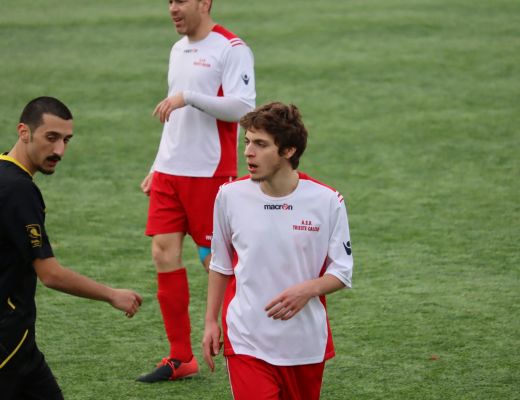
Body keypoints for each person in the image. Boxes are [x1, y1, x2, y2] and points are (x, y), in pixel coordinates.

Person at [137, 0, 256, 383]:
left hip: (210, 173)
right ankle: (180, 357)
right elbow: (173, 118)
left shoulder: (231, 48)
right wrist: (157, 166)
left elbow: (242, 108)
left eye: (181, 1)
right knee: (163, 253)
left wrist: (188, 97)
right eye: (169, 2)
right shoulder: (178, 49)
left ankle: (250, 344)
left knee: (216, 262)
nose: (173, 8)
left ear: (204, 3)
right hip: (170, 172)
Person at [202, 102, 353, 400]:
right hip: (246, 338)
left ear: (288, 151)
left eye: (260, 144)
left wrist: (307, 289)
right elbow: (221, 265)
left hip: (304, 344)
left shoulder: (327, 201)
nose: (248, 152)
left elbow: (342, 271)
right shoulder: (230, 196)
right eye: (247, 142)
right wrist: (210, 321)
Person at [0, 96, 143, 400]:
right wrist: (111, 294)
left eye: (66, 140)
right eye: (51, 138)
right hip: (7, 341)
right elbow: (50, 274)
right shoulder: (18, 190)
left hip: (22, 344)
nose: (59, 151)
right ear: (24, 132)